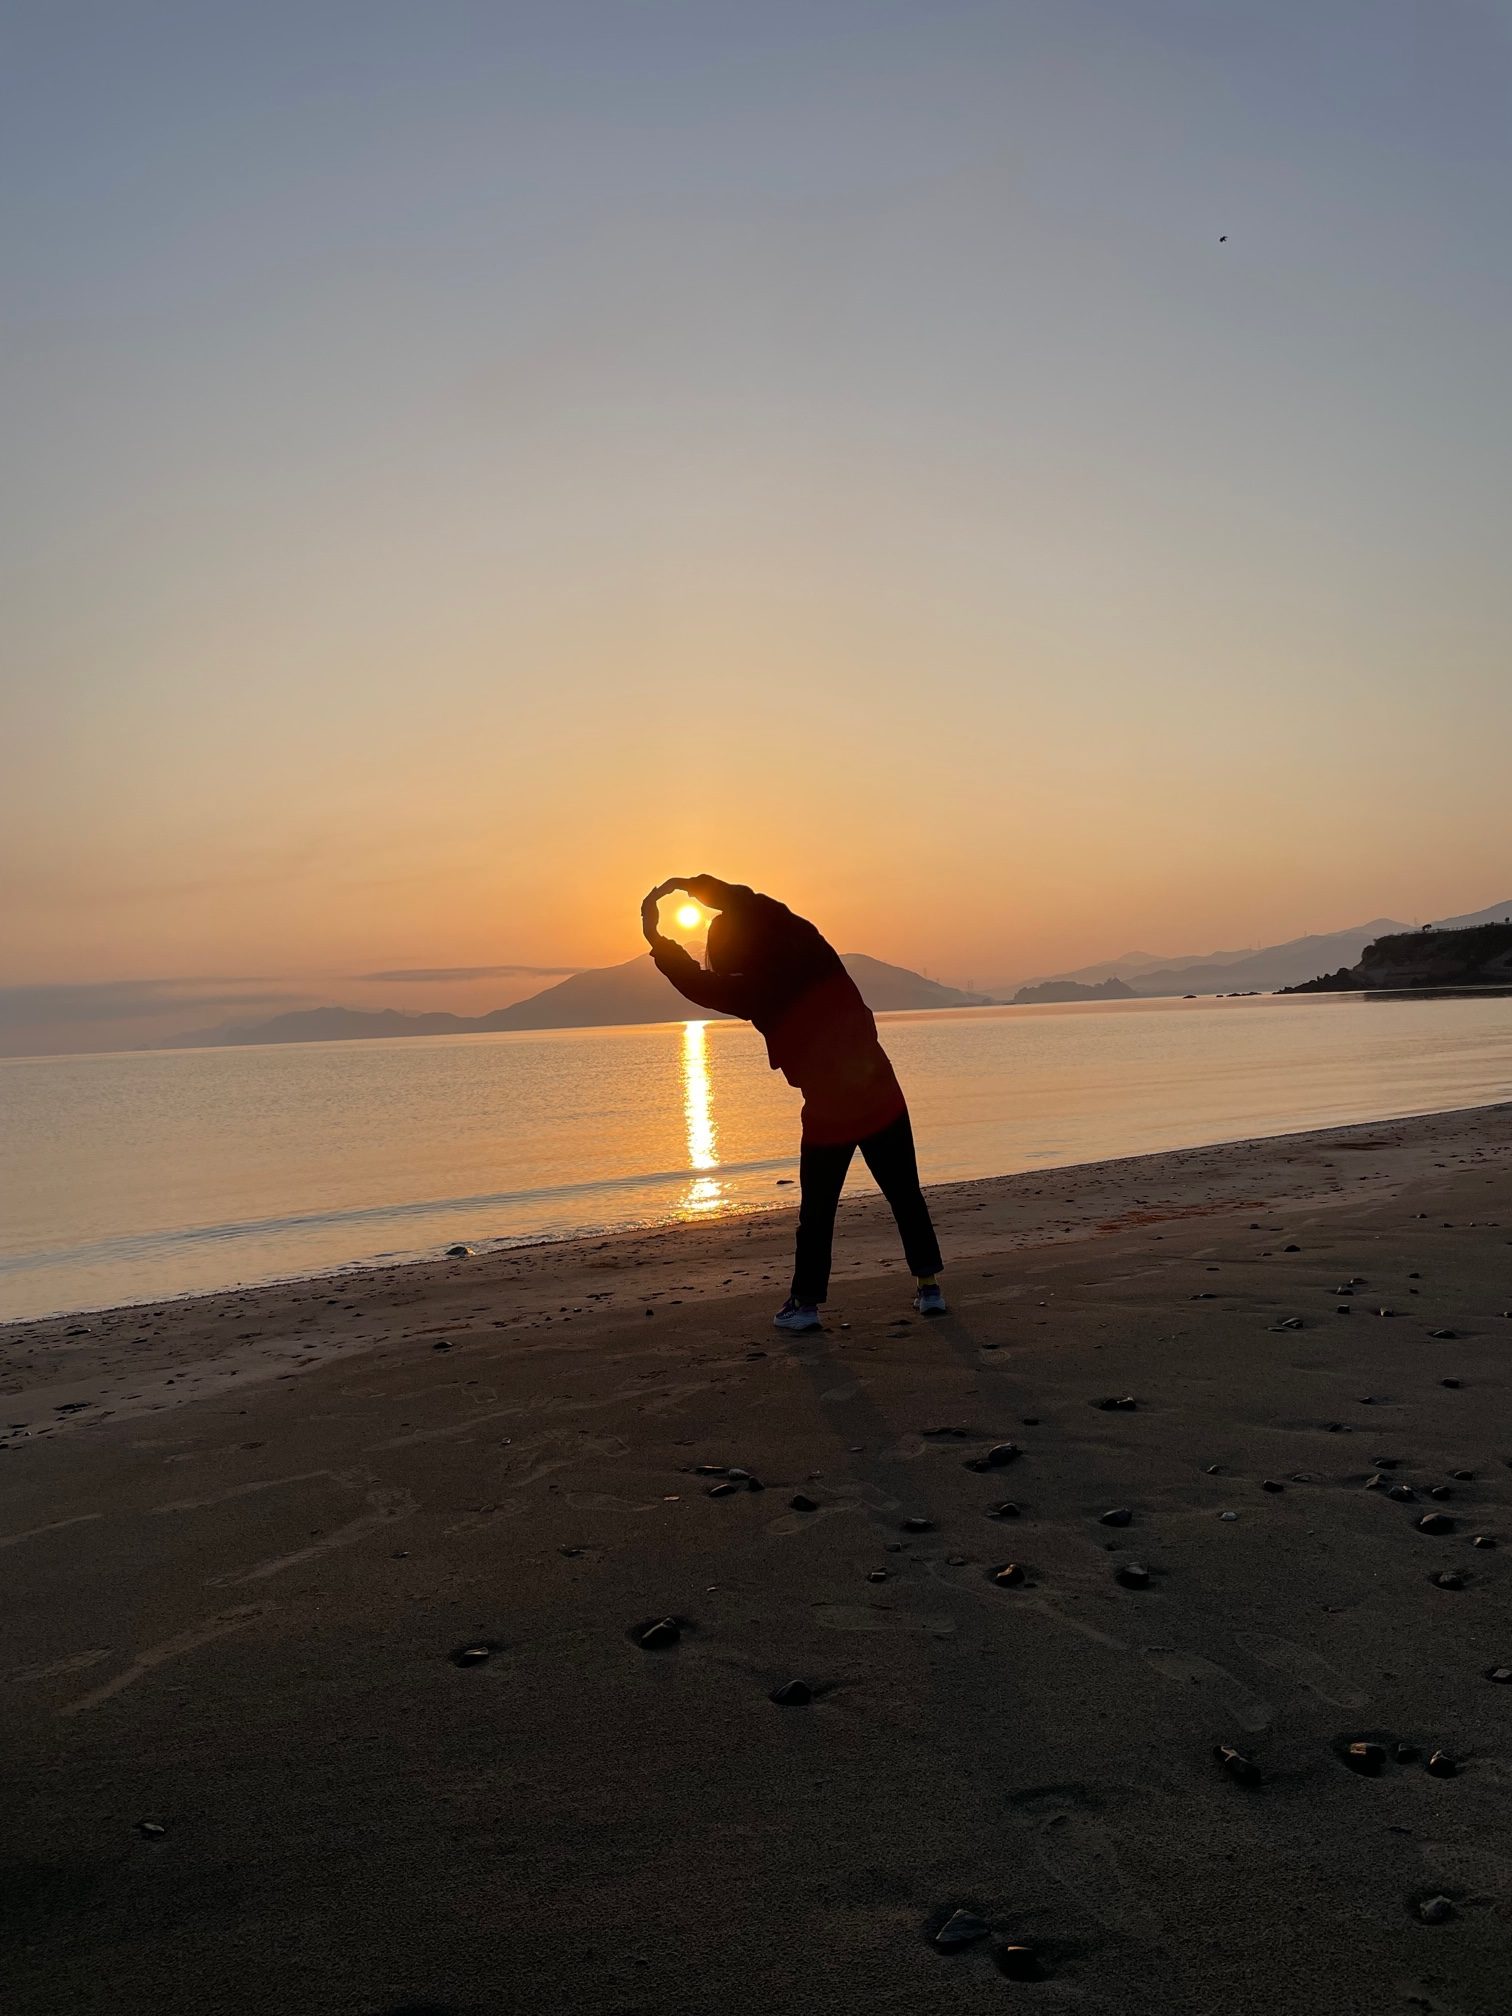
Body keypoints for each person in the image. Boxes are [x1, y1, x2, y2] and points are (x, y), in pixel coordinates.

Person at [641, 874, 944, 1332]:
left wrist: (655, 936)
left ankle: (804, 1306)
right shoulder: (812, 953)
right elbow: (758, 906)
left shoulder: (752, 993)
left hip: (829, 1108)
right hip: (879, 1090)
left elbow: (692, 981)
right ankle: (929, 1289)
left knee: (818, 1211)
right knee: (904, 1195)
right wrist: (695, 885)